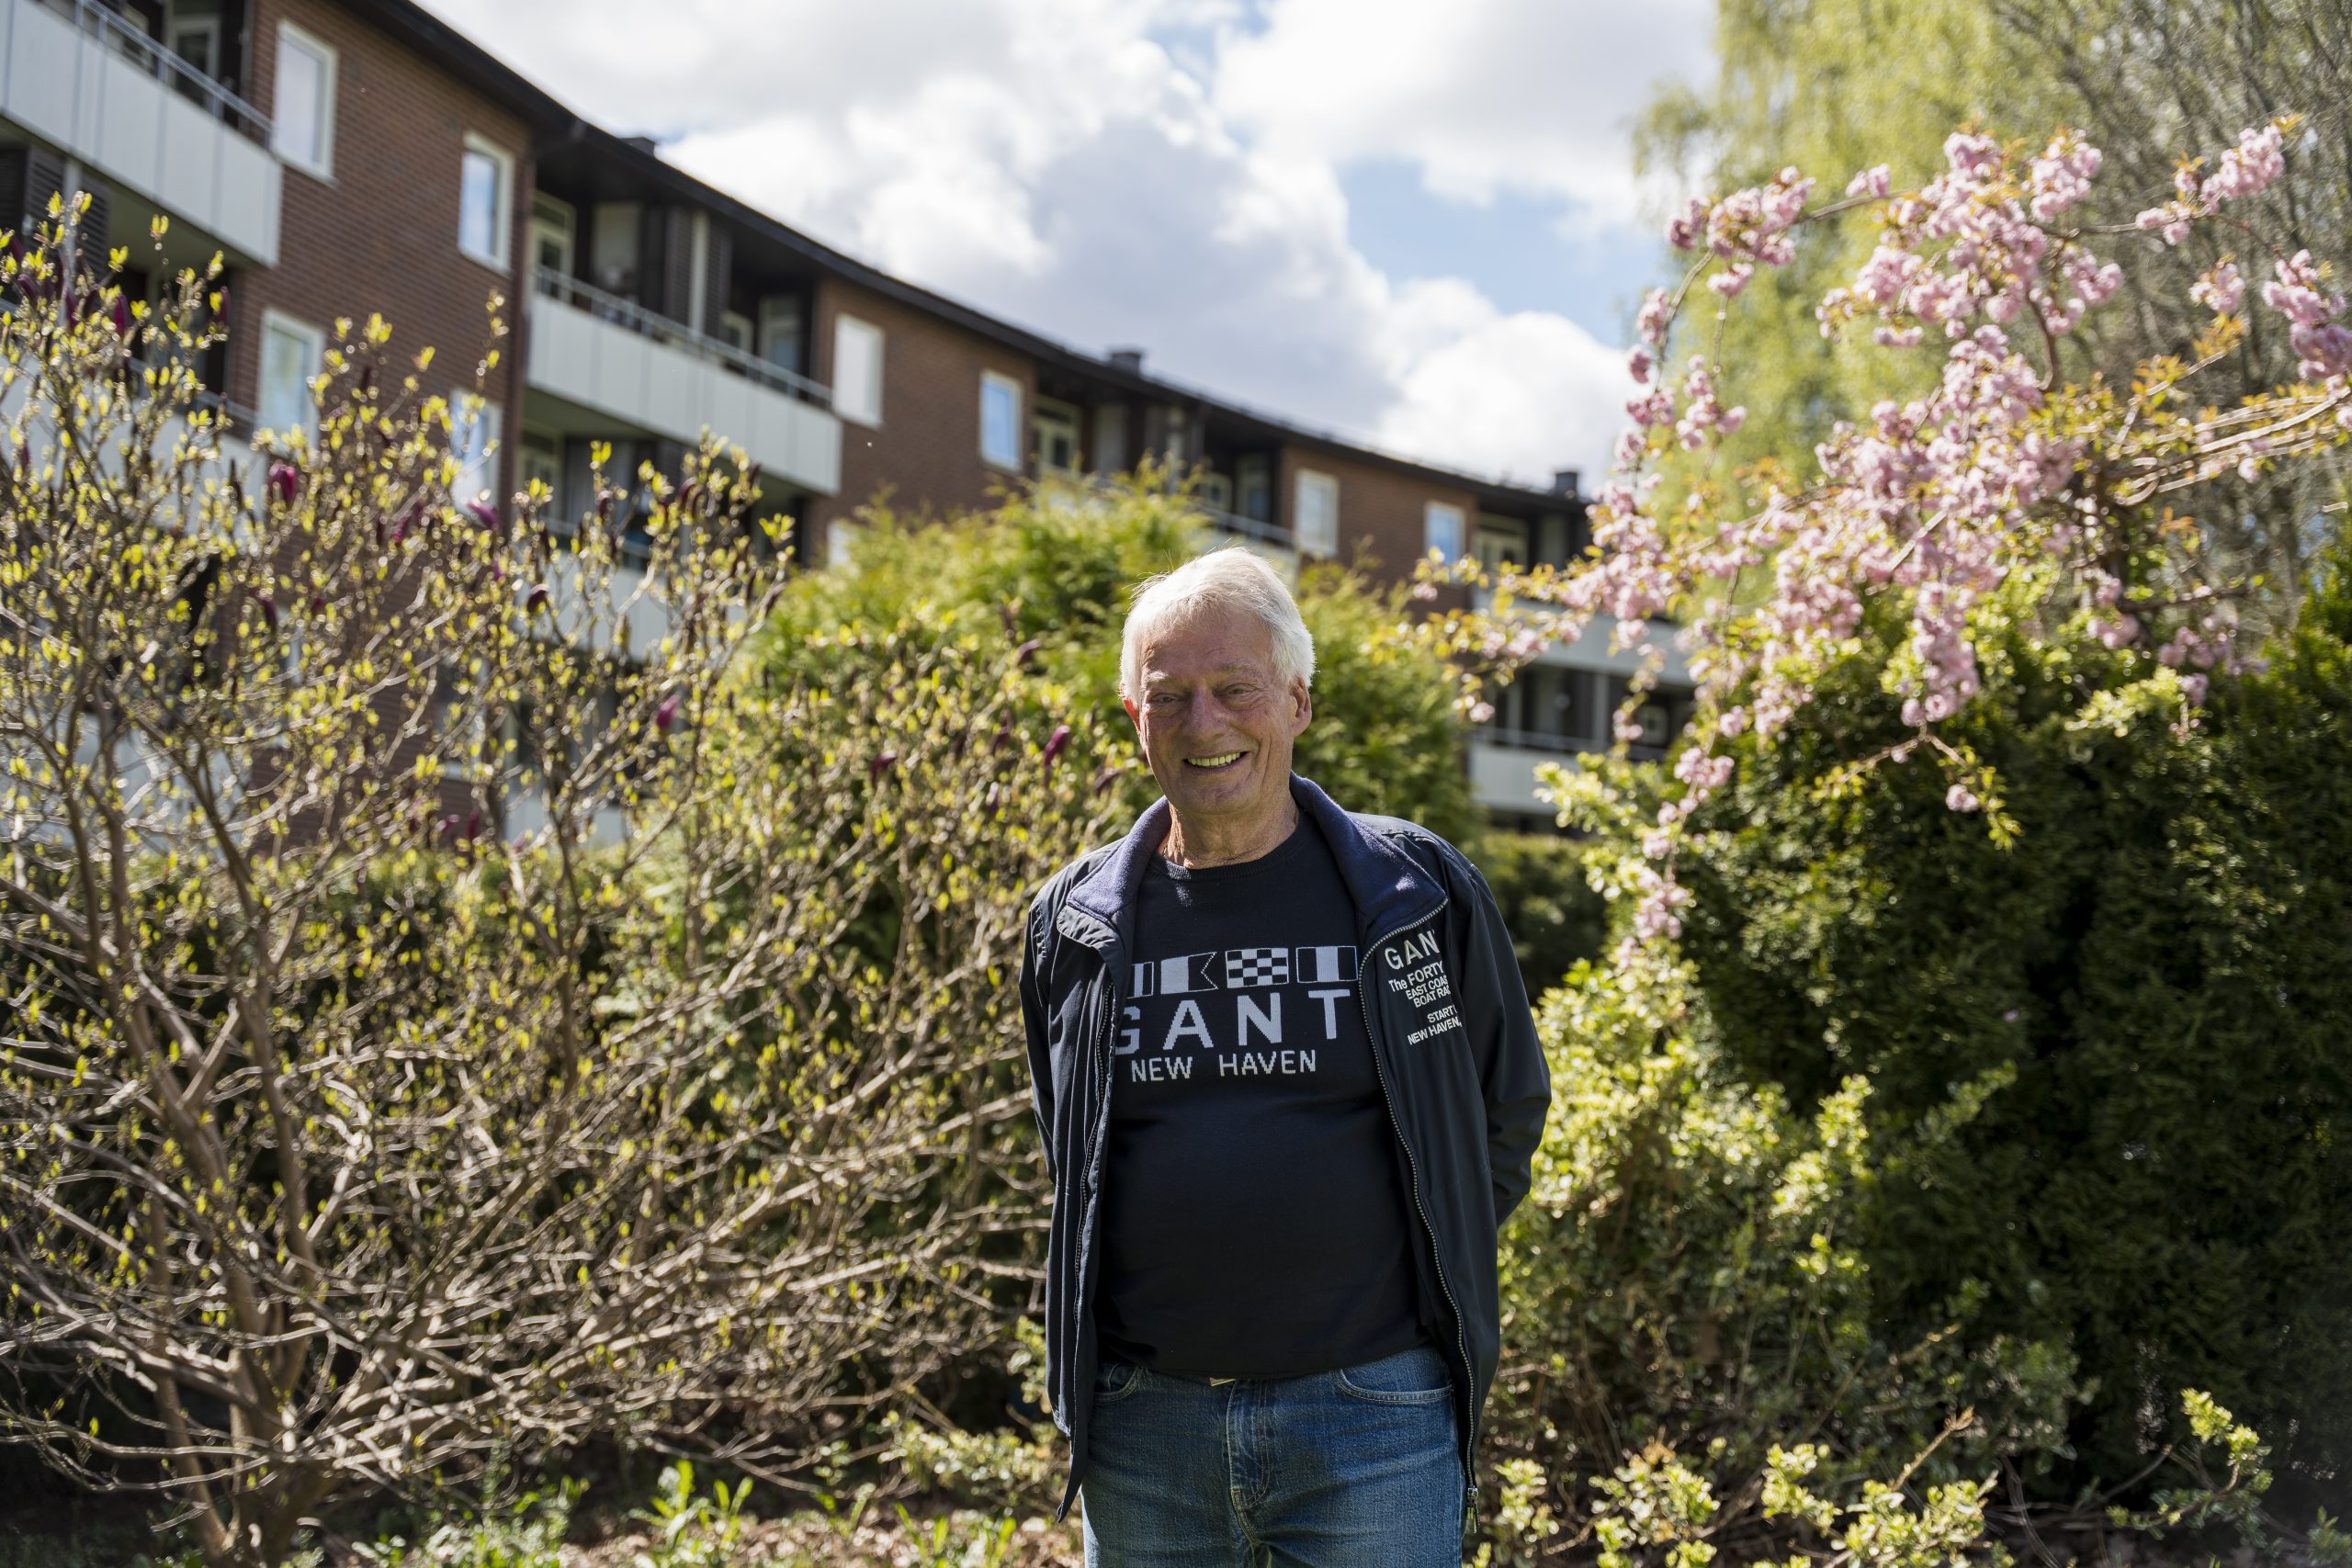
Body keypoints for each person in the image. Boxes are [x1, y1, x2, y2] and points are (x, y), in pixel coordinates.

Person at [1017, 546, 1552, 1565]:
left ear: (1298, 702)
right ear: (1134, 719)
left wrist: (1408, 1276)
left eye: (1236, 689)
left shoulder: (1417, 893)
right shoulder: (1073, 923)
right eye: (1168, 697)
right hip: (1144, 1426)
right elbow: (1070, 1145)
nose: (1203, 723)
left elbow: (1505, 1106)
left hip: (1374, 1415)